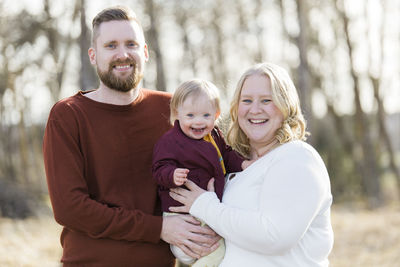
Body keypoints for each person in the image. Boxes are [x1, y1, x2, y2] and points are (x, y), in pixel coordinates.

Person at [43, 6, 219, 266]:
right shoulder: (68, 116)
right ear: (93, 55)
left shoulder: (175, 111)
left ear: (144, 52)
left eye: (131, 44)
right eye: (111, 45)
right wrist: (158, 229)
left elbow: (219, 162)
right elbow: (71, 208)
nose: (122, 54)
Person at [169, 62, 334, 266]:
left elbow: (275, 236)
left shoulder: (297, 157)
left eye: (266, 100)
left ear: (286, 106)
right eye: (246, 100)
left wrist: (203, 204)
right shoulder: (236, 167)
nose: (255, 110)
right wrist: (188, 242)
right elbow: (228, 234)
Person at [152, 79, 253, 266]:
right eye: (190, 115)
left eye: (206, 115)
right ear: (177, 114)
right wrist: (171, 175)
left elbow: (227, 156)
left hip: (208, 210)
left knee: (219, 249)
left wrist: (244, 164)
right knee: (213, 251)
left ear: (216, 115)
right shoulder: (170, 142)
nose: (198, 122)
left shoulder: (214, 135)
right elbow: (159, 168)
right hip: (182, 216)